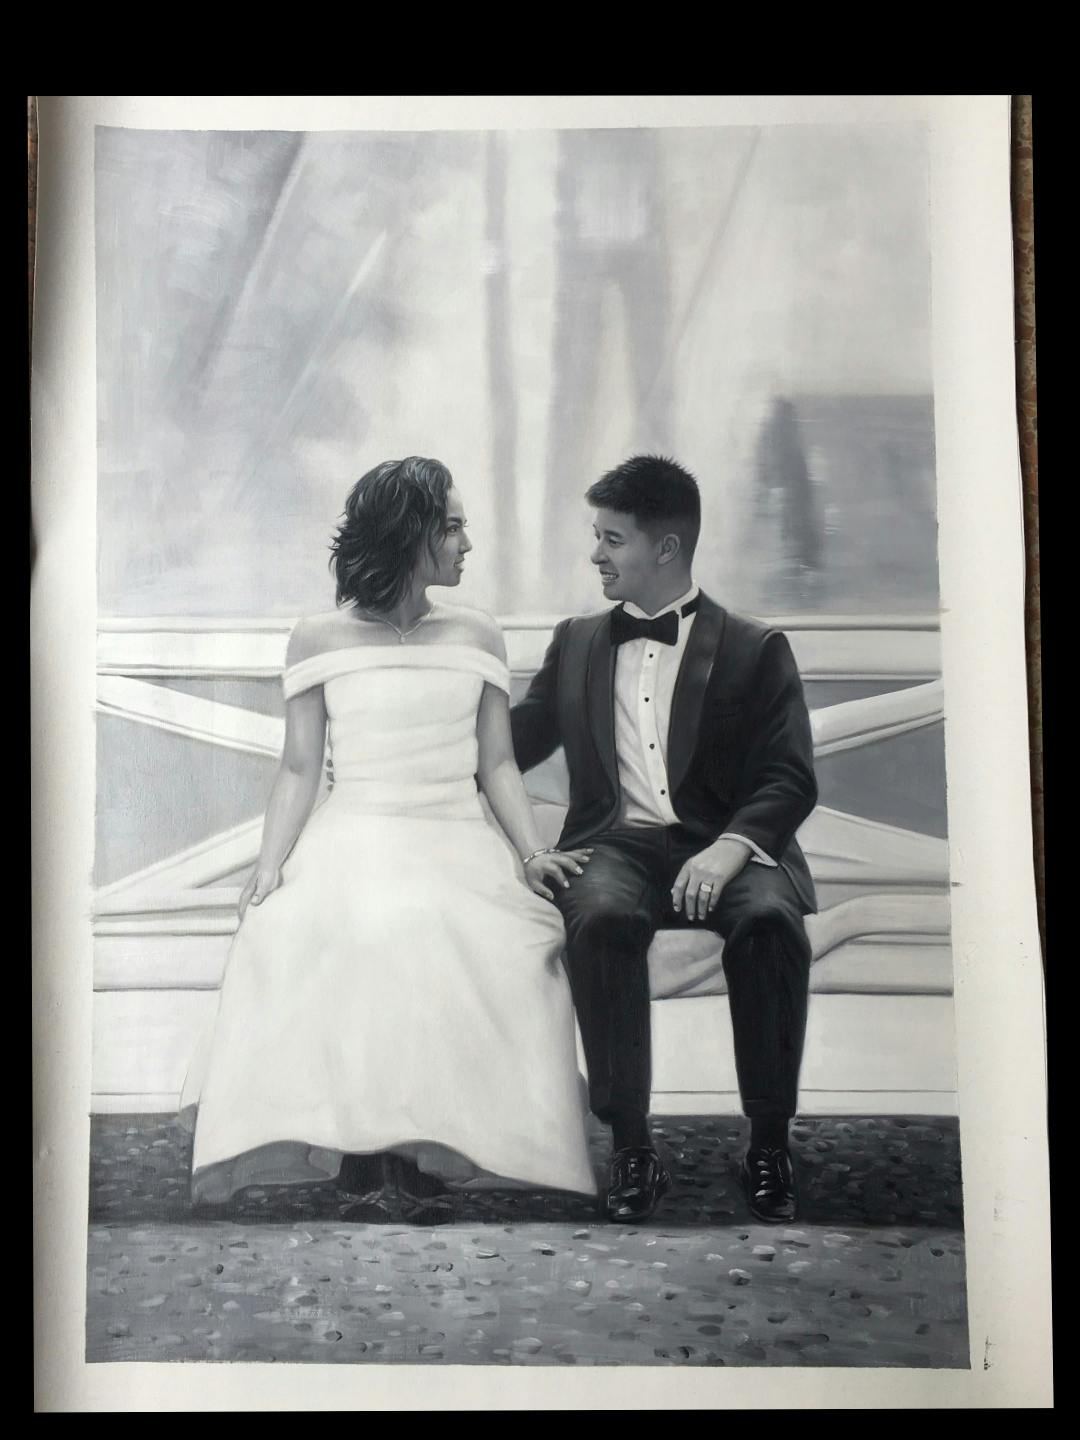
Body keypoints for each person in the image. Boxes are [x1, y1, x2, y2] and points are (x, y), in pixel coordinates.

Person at [180, 457, 597, 1218]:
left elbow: (498, 762)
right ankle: (366, 1157)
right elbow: (299, 769)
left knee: (453, 928)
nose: (467, 543)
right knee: (336, 921)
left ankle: (416, 1154)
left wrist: (532, 853)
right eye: (453, 527)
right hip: (355, 830)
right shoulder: (317, 637)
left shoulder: (478, 632)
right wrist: (268, 868)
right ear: (410, 535)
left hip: (454, 833)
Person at [510, 455, 818, 1224]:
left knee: (769, 922)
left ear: (666, 548)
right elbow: (515, 742)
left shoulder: (754, 647)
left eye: (612, 539)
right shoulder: (577, 641)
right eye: (597, 536)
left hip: (727, 844)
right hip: (615, 845)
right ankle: (631, 1146)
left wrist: (730, 848)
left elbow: (789, 777)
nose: (596, 555)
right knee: (602, 918)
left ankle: (769, 1143)